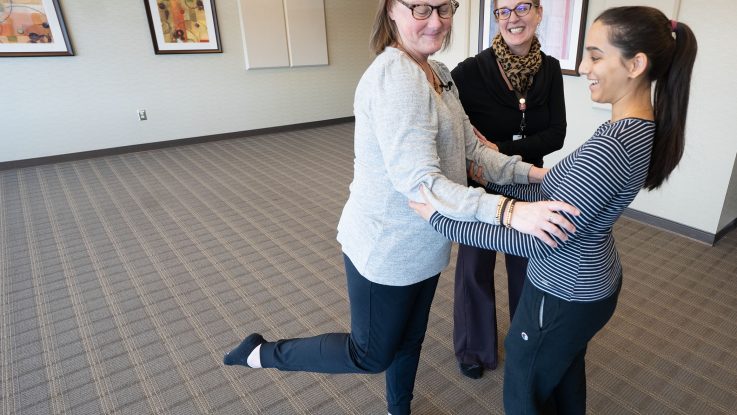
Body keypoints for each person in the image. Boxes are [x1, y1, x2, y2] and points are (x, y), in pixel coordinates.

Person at [222, 1, 579, 414]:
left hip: (425, 241)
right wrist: (510, 212)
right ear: (392, 9)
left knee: (411, 339)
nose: (436, 22)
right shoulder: (395, 77)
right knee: (369, 355)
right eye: (421, 8)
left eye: (444, 8)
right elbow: (422, 183)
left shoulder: (439, 74)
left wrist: (537, 175)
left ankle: (399, 409)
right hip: (386, 246)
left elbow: (475, 152)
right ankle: (261, 352)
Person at [411, 6, 697, 413]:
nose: (583, 68)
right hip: (591, 277)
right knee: (563, 376)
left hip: (565, 289)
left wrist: (440, 219)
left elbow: (537, 240)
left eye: (595, 56)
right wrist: (495, 176)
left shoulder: (612, 146)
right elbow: (556, 191)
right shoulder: (637, 130)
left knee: (525, 392)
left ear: (636, 65)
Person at [450, 0, 566, 379]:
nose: (513, 18)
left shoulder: (550, 70)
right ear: (496, 17)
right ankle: (474, 348)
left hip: (529, 183)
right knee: (474, 268)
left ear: (538, 12)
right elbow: (453, 126)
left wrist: (502, 149)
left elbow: (557, 133)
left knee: (528, 270)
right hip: (482, 184)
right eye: (503, 10)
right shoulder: (470, 71)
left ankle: (524, 341)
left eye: (522, 7)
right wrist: (476, 156)